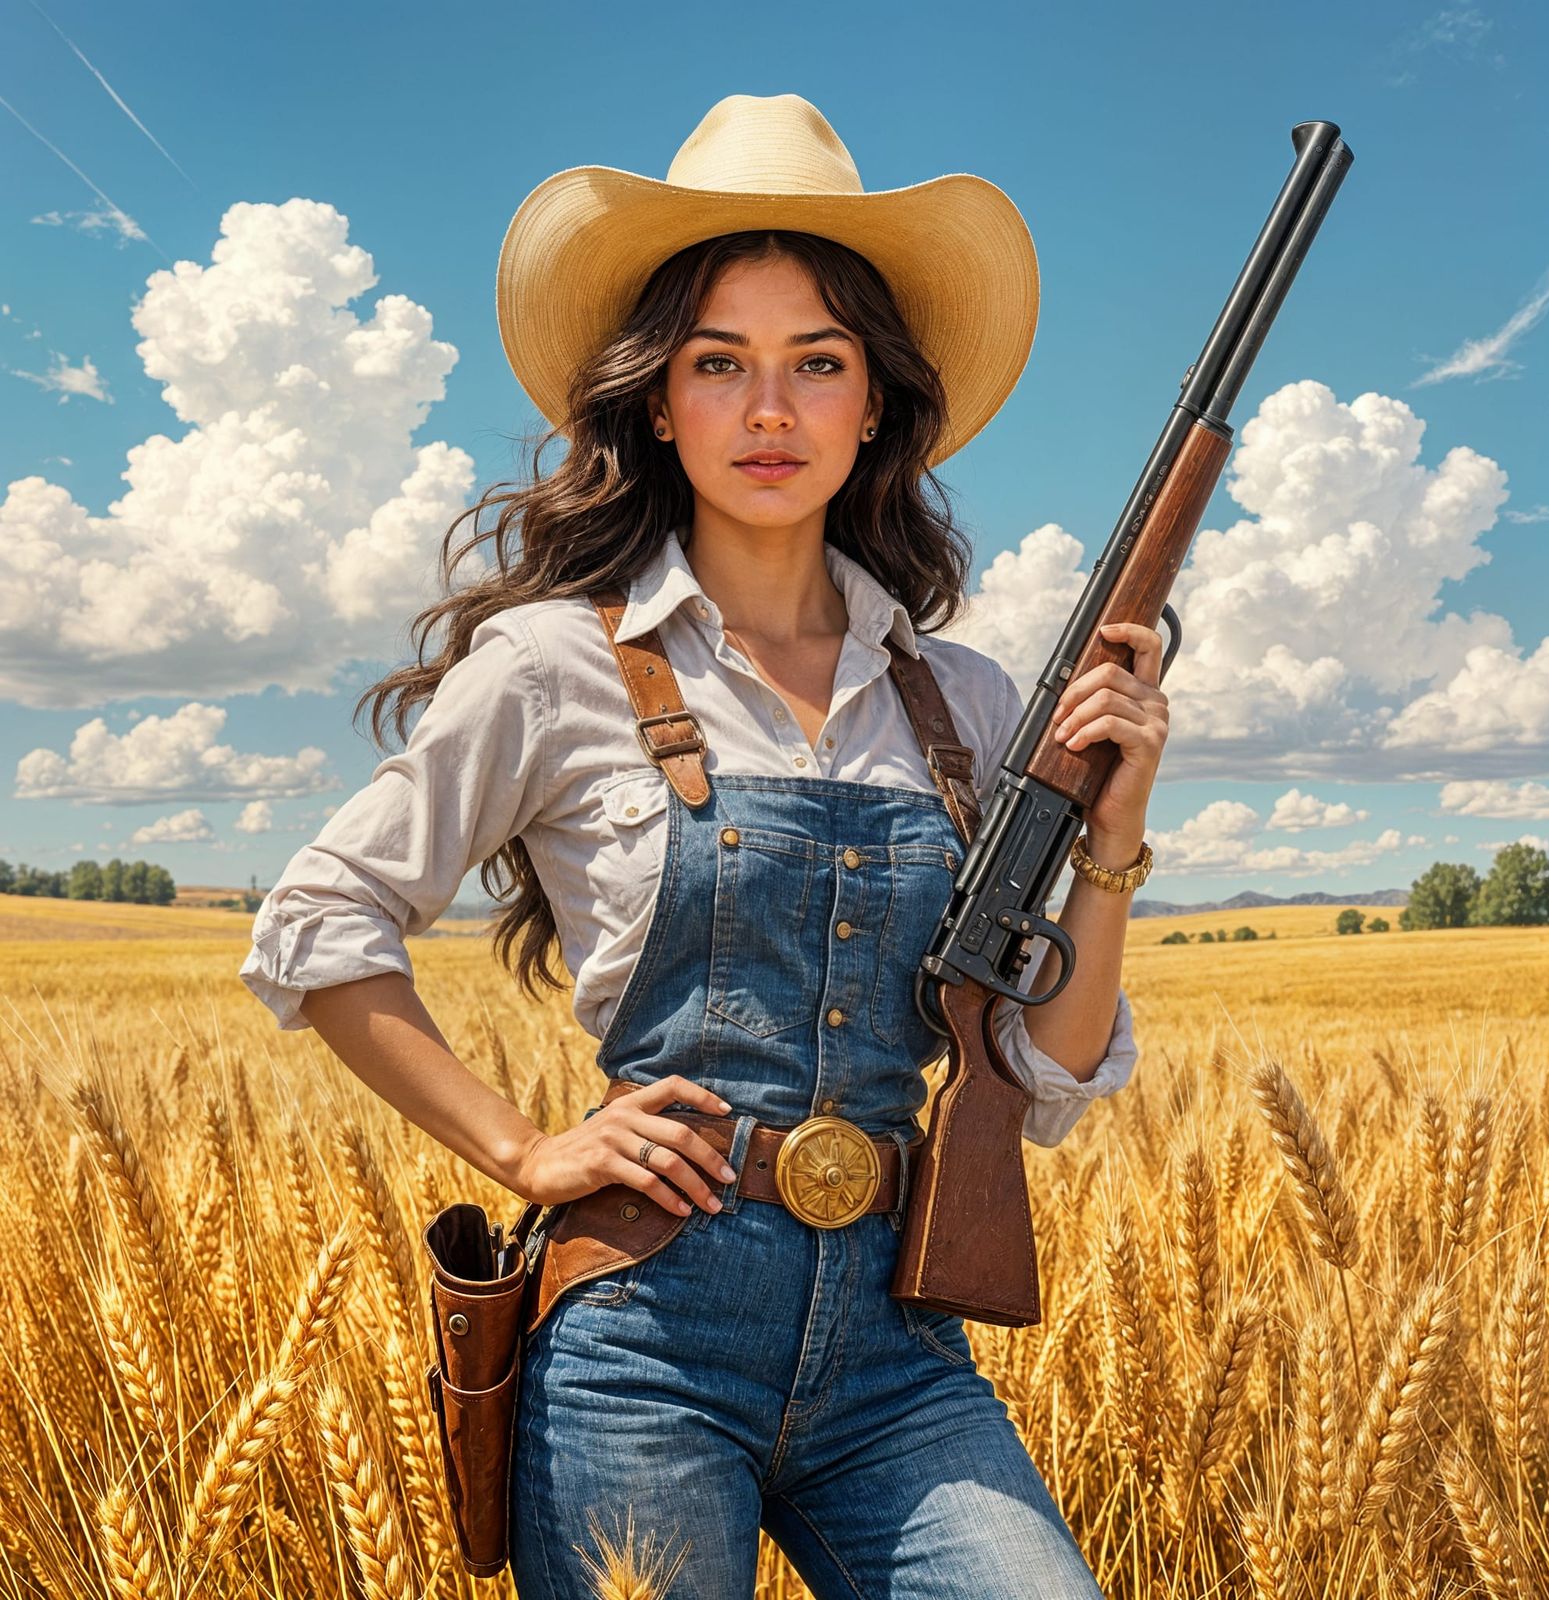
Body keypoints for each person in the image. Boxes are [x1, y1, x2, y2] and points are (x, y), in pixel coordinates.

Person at [241, 91, 1169, 1600]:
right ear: (656, 403)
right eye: (717, 364)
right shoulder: (554, 666)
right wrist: (524, 1147)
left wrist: (1110, 844)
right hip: (645, 1338)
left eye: (818, 362)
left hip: (899, 1341)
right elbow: (319, 919)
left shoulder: (972, 701)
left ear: (875, 403)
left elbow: (1050, 1075)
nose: (769, 410)